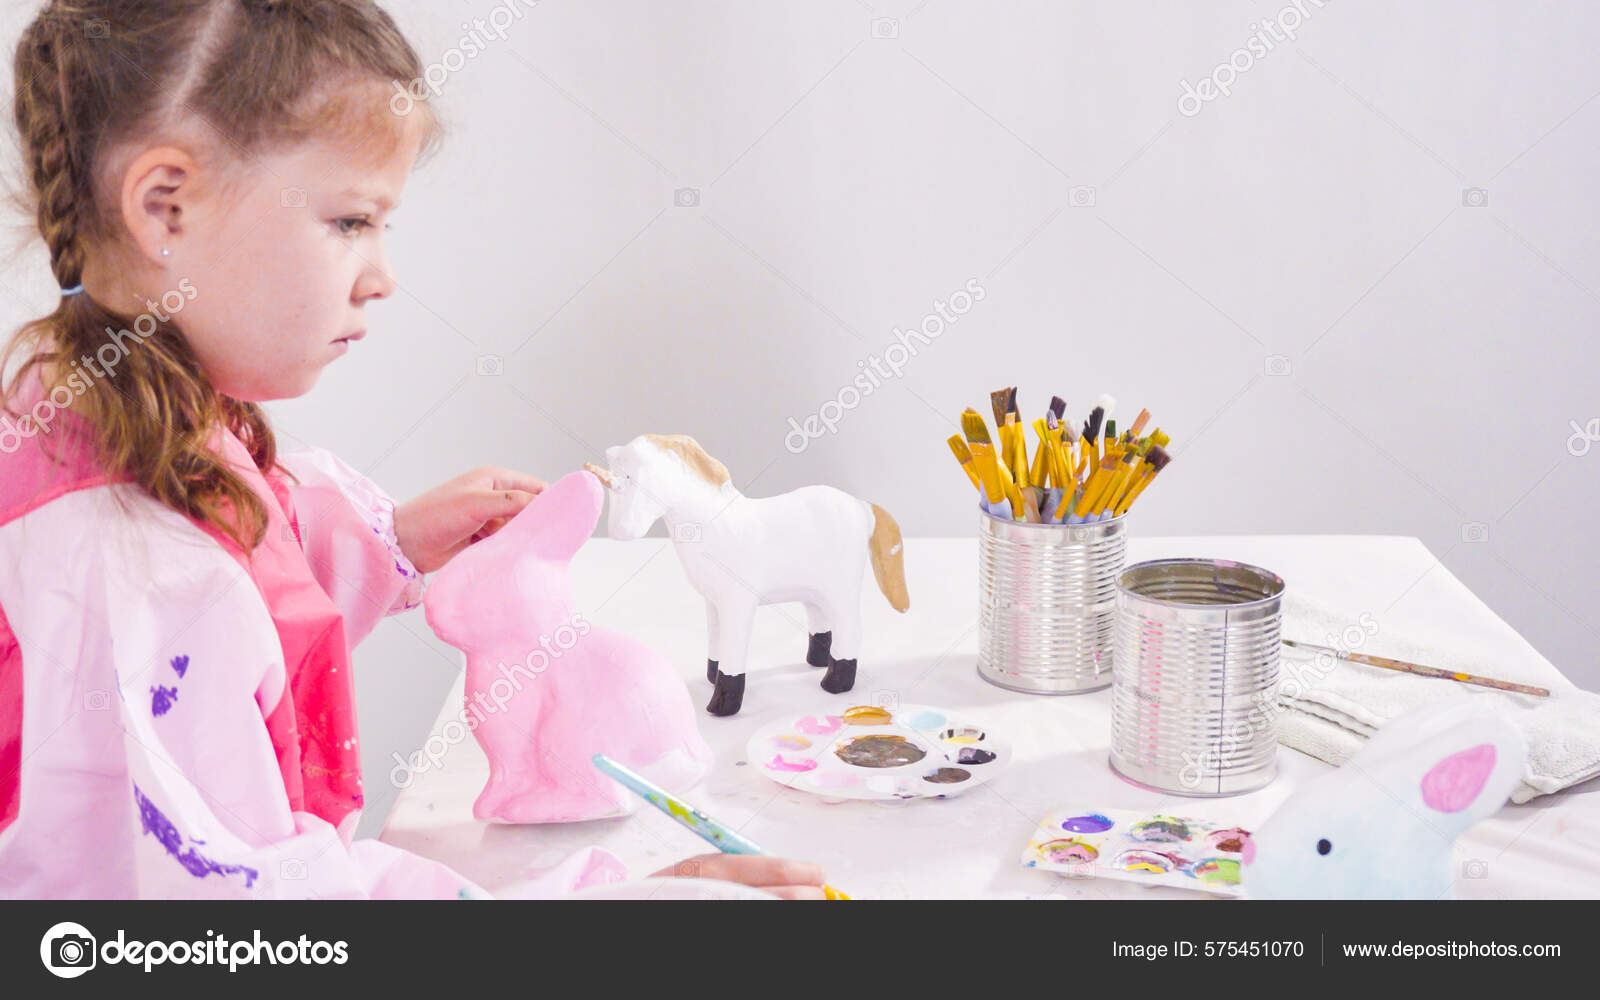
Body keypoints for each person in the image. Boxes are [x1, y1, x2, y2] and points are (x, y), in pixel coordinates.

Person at [0, 0, 826, 900]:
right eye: (351, 221)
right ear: (168, 207)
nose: (383, 276)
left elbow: (241, 574)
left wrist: (385, 540)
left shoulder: (79, 405)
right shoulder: (139, 561)